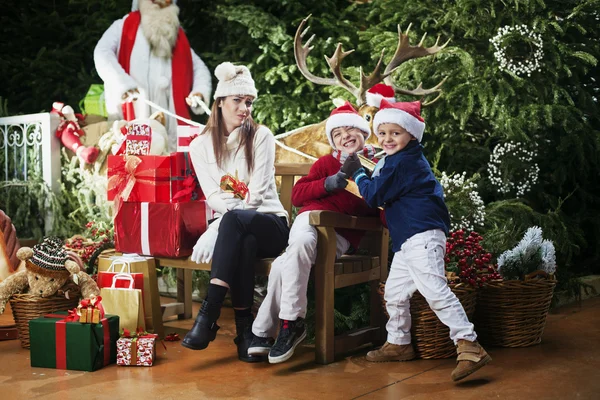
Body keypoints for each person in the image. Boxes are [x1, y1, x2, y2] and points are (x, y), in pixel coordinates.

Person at [341, 99, 491, 382]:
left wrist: (358, 172)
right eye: (382, 133)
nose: (387, 138)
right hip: (409, 240)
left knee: (435, 290)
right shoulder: (398, 159)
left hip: (421, 236)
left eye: (395, 133)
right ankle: (398, 343)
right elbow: (384, 176)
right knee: (395, 293)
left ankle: (469, 345)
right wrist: (372, 162)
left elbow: (374, 195)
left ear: (411, 134)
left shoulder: (404, 162)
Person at [247, 101, 379, 364]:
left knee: (284, 263)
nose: (345, 137)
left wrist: (361, 180)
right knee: (299, 246)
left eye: (350, 130)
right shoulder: (324, 164)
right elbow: (297, 195)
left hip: (340, 235)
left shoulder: (375, 167)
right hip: (309, 220)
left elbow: (377, 208)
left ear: (363, 134)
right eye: (338, 134)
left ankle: (264, 331)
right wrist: (329, 183)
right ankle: (290, 322)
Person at [182, 62, 290, 363]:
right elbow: (213, 195)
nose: (244, 108)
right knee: (245, 243)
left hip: (270, 224)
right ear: (219, 102)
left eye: (249, 102)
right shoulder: (200, 145)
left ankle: (209, 312)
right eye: (237, 101)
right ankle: (244, 334)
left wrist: (216, 228)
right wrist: (224, 222)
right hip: (237, 231)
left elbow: (255, 197)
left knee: (238, 227)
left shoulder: (261, 136)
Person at [94, 0, 212, 151]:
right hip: (135, 111)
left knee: (173, 167)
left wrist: (199, 91)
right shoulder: (122, 27)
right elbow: (102, 53)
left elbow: (199, 67)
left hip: (172, 120)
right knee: (136, 167)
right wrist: (122, 83)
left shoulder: (177, 35)